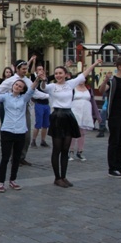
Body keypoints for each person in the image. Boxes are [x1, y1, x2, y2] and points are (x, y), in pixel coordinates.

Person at [40, 59, 103, 188]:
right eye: (56, 73)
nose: (58, 75)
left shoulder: (70, 84)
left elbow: (84, 74)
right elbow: (43, 88)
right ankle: (57, 177)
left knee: (65, 149)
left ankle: (64, 176)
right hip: (57, 116)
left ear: (66, 74)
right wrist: (43, 80)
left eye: (60, 73)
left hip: (68, 115)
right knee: (57, 149)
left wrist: (95, 63)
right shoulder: (52, 86)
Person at [0, 73, 44, 191]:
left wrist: (38, 78)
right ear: (12, 85)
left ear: (22, 90)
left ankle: (13, 180)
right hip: (7, 130)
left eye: (20, 86)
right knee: (5, 157)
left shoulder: (24, 98)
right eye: (16, 84)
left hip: (20, 131)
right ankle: (0, 182)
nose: (17, 87)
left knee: (16, 158)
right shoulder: (5, 96)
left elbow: (32, 88)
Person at [0, 56, 45, 166]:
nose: (25, 71)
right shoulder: (11, 80)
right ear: (17, 69)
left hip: (24, 109)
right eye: (23, 69)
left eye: (26, 69)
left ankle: (21, 156)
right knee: (12, 134)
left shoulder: (28, 80)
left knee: (26, 135)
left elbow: (35, 92)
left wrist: (49, 95)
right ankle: (14, 157)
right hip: (11, 109)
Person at [69, 79, 101, 162]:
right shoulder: (73, 89)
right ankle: (71, 151)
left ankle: (80, 151)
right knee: (73, 131)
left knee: (82, 132)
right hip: (75, 110)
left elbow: (93, 102)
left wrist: (97, 115)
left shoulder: (89, 89)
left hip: (85, 111)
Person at [30, 63, 51, 148]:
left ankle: (43, 140)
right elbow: (31, 72)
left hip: (47, 104)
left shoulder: (46, 79)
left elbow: (55, 76)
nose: (41, 71)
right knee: (38, 124)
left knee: (46, 124)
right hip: (39, 104)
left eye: (42, 69)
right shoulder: (35, 79)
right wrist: (33, 61)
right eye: (39, 69)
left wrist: (66, 67)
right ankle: (33, 141)